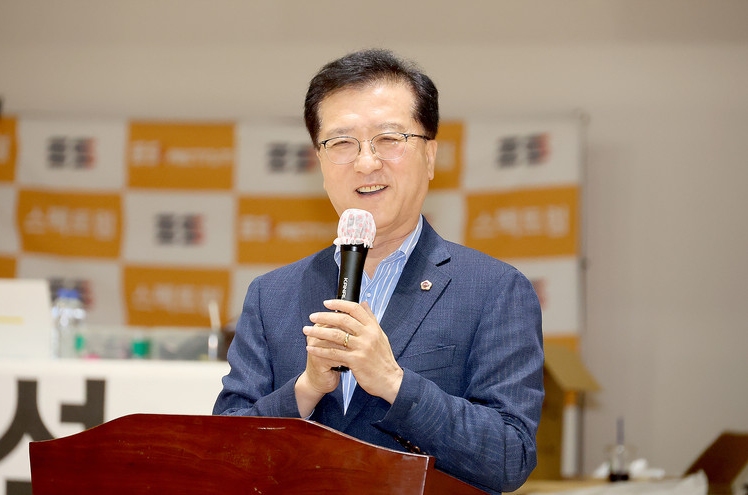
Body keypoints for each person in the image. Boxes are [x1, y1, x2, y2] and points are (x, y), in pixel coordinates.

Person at [213, 49, 544, 494]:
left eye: (389, 138)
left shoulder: (494, 290)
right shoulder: (271, 294)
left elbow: (509, 457)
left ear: (430, 156)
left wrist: (393, 382)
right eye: (342, 143)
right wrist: (306, 389)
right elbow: (224, 453)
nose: (366, 162)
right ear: (320, 162)